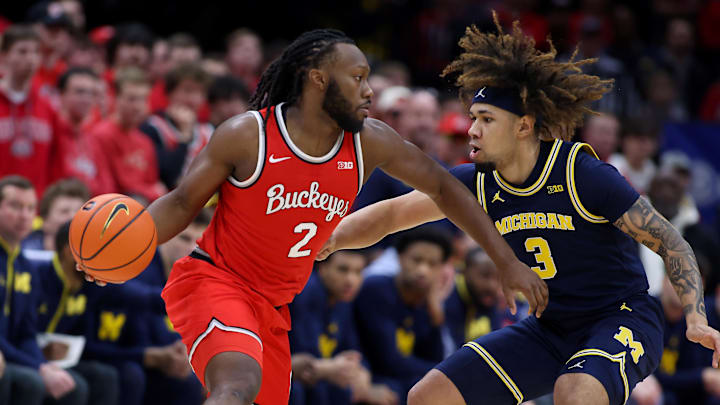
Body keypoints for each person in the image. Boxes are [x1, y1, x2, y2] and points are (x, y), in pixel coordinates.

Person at [79, 28, 546, 405]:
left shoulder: (370, 140)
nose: (368, 91)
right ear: (317, 78)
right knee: (236, 385)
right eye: (357, 78)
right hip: (217, 282)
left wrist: (505, 261)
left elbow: (445, 186)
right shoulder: (248, 136)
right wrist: (126, 248)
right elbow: (182, 204)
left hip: (275, 306)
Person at [318, 16, 720, 405]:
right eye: (474, 118)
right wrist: (327, 239)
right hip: (551, 328)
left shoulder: (582, 174)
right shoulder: (476, 182)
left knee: (575, 390)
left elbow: (671, 242)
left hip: (621, 318)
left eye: (486, 119)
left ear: (524, 126)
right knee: (428, 396)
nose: (473, 130)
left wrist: (696, 317)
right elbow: (391, 216)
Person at [289, 250, 397, 405]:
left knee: (388, 390)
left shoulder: (342, 302)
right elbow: (304, 353)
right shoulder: (305, 294)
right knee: (309, 387)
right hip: (292, 371)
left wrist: (362, 372)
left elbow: (352, 347)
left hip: (320, 371)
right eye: (342, 270)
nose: (350, 280)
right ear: (322, 268)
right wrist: (336, 369)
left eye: (358, 272)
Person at [353, 229, 450, 402]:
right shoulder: (377, 289)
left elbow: (435, 357)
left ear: (441, 268)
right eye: (416, 260)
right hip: (369, 375)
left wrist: (436, 317)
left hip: (398, 378)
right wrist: (444, 372)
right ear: (400, 257)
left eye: (432, 264)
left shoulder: (428, 301)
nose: (423, 270)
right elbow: (389, 360)